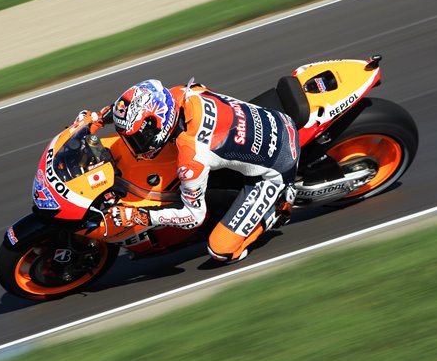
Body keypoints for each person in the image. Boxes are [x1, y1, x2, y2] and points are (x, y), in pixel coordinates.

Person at [77, 79, 299, 263]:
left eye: (136, 138)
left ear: (158, 125)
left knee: (221, 250)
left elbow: (194, 216)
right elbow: (135, 107)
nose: (133, 145)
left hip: (277, 167)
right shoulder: (178, 95)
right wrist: (97, 119)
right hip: (269, 119)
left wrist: (141, 215)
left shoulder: (192, 156)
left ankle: (277, 210)